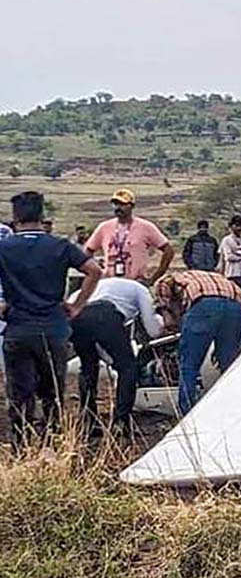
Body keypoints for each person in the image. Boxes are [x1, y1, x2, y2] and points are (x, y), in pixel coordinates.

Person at [0, 192, 102, 449]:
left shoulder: (4, 247)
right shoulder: (60, 245)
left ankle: (21, 449)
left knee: (20, 395)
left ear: (15, 218)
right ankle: (52, 445)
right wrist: (77, 306)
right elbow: (94, 270)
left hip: (18, 329)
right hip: (54, 328)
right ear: (42, 215)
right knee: (53, 392)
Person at [67, 277, 163, 437]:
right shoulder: (141, 289)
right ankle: (121, 422)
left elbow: (71, 306)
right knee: (128, 368)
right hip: (106, 315)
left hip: (77, 317)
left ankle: (88, 422)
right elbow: (152, 330)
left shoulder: (100, 285)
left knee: (88, 367)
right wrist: (163, 324)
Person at [154, 270, 241, 414]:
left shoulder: (167, 280)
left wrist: (172, 324)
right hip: (237, 309)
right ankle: (232, 408)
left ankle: (187, 413)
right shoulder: (210, 276)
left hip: (204, 306)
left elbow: (169, 319)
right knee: (228, 364)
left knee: (189, 364)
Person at [85, 189, 176, 283]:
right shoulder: (104, 227)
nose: (118, 208)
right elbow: (88, 250)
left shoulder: (145, 227)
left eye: (122, 204)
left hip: (135, 282)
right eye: (115, 204)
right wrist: (95, 272)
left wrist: (154, 278)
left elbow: (168, 251)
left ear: (131, 206)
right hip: (109, 282)